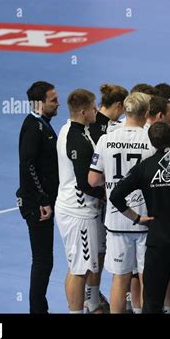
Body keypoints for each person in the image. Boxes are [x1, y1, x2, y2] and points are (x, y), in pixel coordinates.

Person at [110, 122, 170, 313]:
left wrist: (137, 218)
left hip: (159, 240)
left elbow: (115, 196)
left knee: (152, 300)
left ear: (151, 142)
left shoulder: (144, 167)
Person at [88, 92, 155, 313]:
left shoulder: (106, 139)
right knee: (147, 278)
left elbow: (93, 179)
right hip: (146, 219)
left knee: (120, 278)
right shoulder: (151, 139)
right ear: (146, 113)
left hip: (117, 220)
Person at [55, 89, 106, 313]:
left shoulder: (71, 129)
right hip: (78, 212)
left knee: (78, 266)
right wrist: (109, 195)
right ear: (84, 112)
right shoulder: (77, 139)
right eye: (94, 107)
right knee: (79, 270)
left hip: (79, 210)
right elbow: (85, 184)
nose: (97, 110)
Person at [16, 81, 59, 314]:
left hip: (43, 203)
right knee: (42, 261)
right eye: (53, 100)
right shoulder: (33, 128)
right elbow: (28, 164)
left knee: (45, 260)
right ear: (39, 103)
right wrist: (42, 199)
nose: (58, 103)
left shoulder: (42, 124)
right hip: (37, 206)